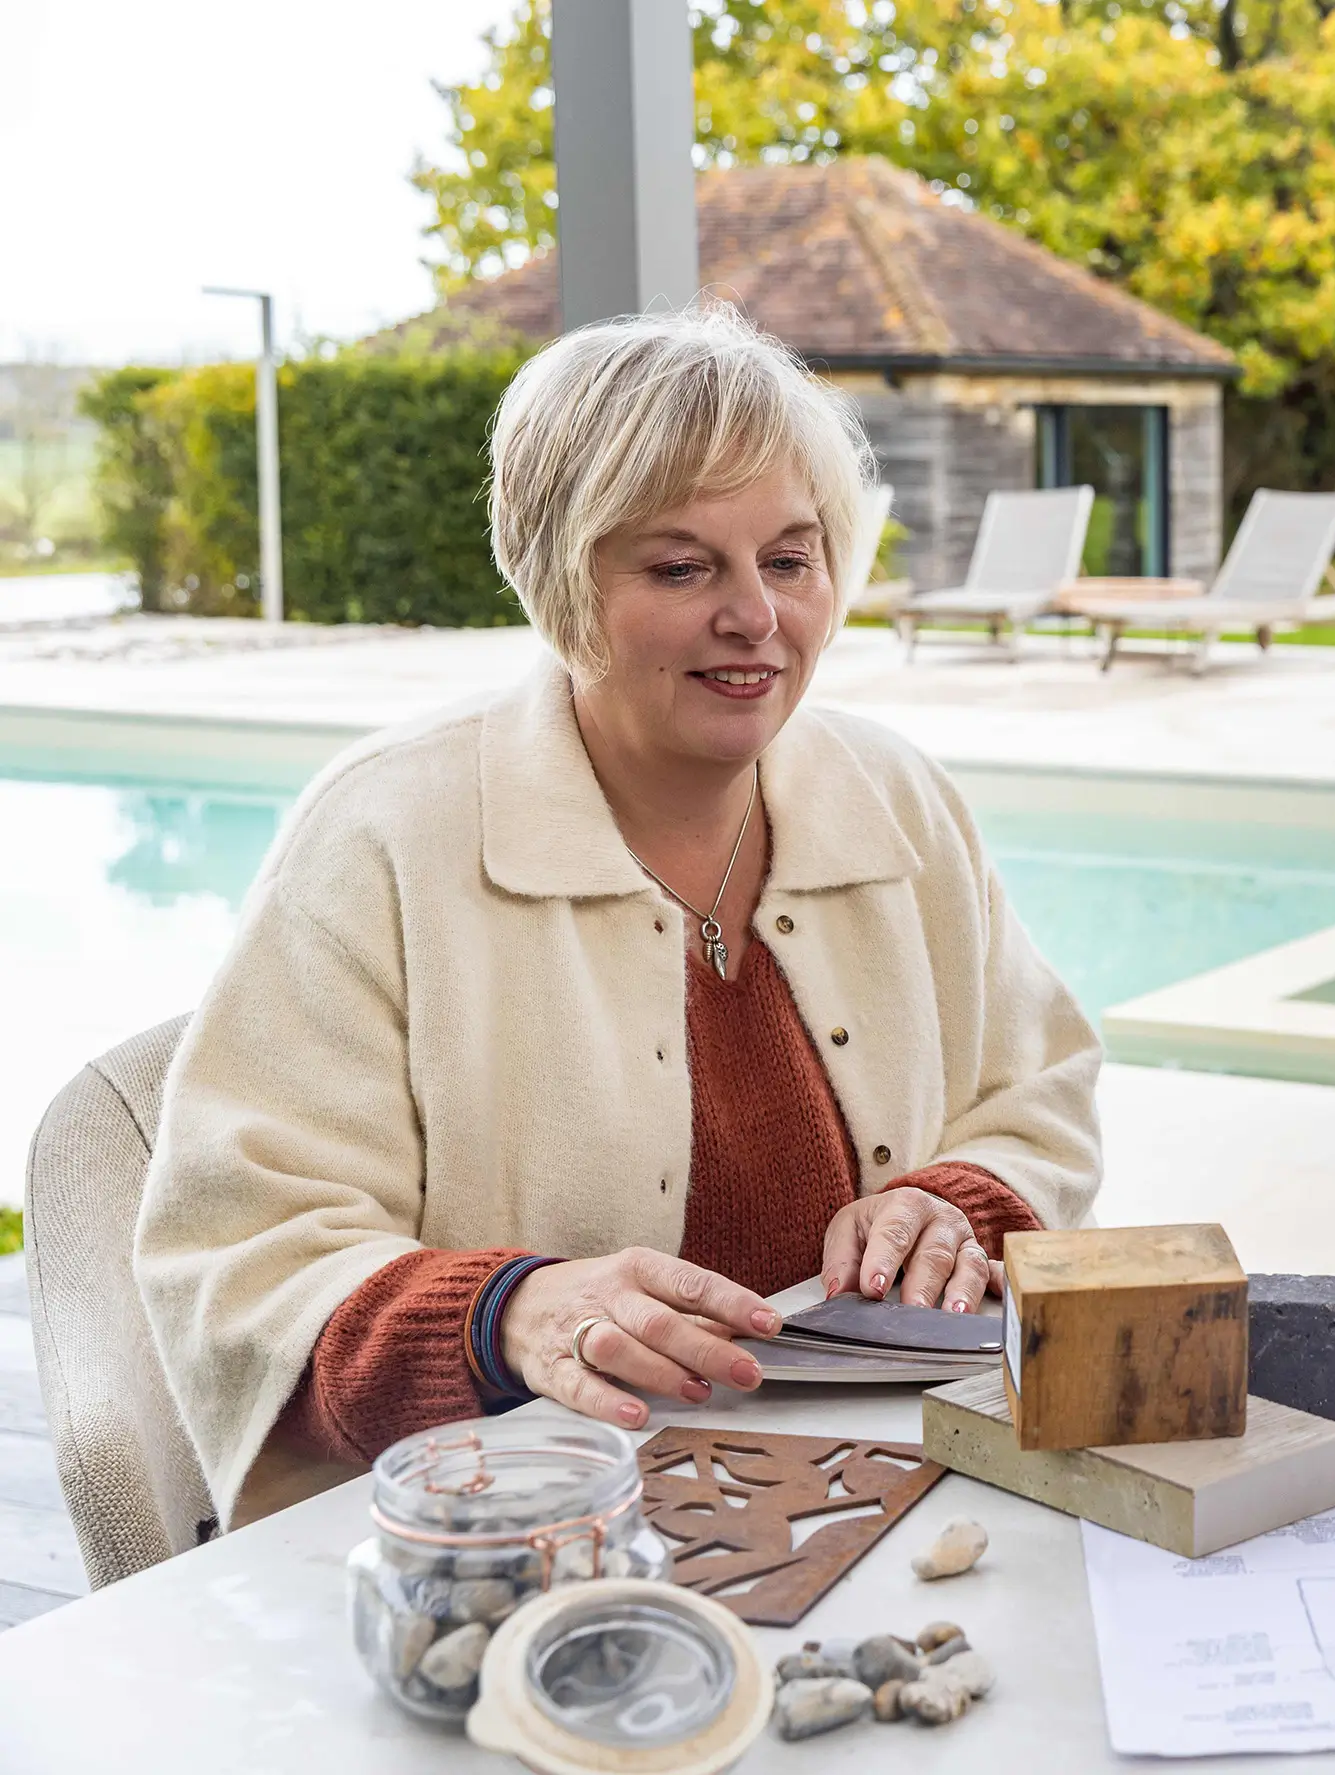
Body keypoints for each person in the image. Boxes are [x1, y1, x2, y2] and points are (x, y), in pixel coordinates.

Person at [135, 306, 1103, 1528]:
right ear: (562, 584)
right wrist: (504, 1315)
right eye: (681, 566)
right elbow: (238, 1257)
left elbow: (1043, 1088)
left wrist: (959, 1203)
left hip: (884, 1493)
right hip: (500, 1533)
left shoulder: (895, 796)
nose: (755, 615)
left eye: (791, 560)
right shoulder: (385, 836)